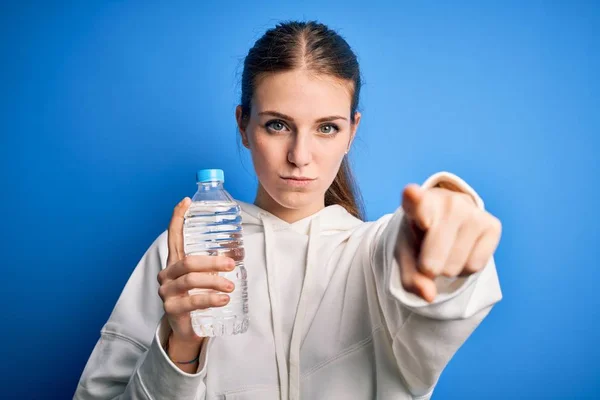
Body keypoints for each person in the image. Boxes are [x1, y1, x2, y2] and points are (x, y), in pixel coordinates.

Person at [74, 20, 502, 400]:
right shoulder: (183, 258)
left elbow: (427, 275)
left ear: (352, 131)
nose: (300, 156)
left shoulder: (375, 253)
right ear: (243, 125)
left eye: (326, 128)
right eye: (277, 125)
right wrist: (180, 345)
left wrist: (445, 222)